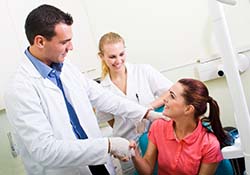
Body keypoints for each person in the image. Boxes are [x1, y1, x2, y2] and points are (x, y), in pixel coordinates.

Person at [4, 4, 161, 175]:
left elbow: (102, 96)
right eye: (64, 42)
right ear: (40, 41)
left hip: (97, 163)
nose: (71, 47)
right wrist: (109, 145)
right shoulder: (19, 88)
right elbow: (45, 150)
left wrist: (145, 113)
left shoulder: (65, 66)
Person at [96, 32, 173, 175]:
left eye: (121, 54)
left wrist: (148, 109)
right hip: (128, 146)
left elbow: (170, 91)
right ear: (101, 56)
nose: (118, 60)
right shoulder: (101, 89)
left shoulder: (143, 71)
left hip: (156, 139)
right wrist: (129, 126)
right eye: (112, 57)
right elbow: (110, 120)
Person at [130, 78, 232, 175]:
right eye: (168, 93)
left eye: (172, 96)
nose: (165, 99)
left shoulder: (209, 144)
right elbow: (147, 171)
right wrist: (135, 155)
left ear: (188, 109)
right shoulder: (158, 126)